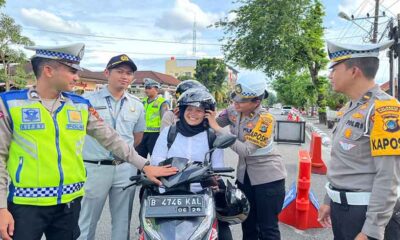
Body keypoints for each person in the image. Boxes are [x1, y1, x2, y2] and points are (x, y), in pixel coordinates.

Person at [0, 43, 177, 240]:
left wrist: (144, 165)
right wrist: (1, 208)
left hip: (68, 203)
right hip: (25, 204)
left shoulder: (80, 106)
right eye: (71, 71)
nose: (77, 77)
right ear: (48, 70)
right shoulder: (10, 104)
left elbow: (112, 139)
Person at [318, 40, 400, 240]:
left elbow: (388, 176)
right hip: (343, 210)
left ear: (354, 71)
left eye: (334, 69)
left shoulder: (384, 109)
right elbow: (343, 162)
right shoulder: (349, 109)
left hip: (365, 214)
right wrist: (329, 199)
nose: (330, 75)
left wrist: (372, 230)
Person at [206, 76, 287, 240]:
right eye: (234, 99)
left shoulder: (265, 120)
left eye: (241, 101)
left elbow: (246, 151)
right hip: (245, 178)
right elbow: (211, 123)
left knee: (267, 228)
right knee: (248, 226)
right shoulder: (233, 111)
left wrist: (219, 130)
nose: (236, 104)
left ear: (256, 102)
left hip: (269, 180)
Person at [151, 88, 233, 240]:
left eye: (199, 110)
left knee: (223, 233)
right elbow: (156, 160)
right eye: (189, 109)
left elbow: (217, 166)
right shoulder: (169, 132)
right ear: (182, 110)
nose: (193, 114)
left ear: (207, 114)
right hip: (168, 193)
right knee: (151, 230)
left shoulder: (211, 136)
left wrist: (213, 179)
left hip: (201, 193)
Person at [78, 54, 144, 240]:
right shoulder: (87, 101)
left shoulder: (137, 105)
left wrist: (124, 155)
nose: (124, 76)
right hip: (94, 167)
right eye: (119, 71)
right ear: (107, 72)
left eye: (129, 73)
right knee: (86, 221)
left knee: (123, 222)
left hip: (124, 168)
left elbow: (137, 137)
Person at [136, 78, 168, 158]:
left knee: (155, 158)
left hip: (155, 135)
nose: (147, 90)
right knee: (139, 158)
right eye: (146, 88)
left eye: (149, 88)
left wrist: (163, 136)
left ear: (156, 89)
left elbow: (164, 121)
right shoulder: (142, 102)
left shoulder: (162, 102)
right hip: (142, 134)